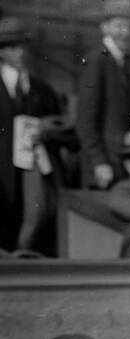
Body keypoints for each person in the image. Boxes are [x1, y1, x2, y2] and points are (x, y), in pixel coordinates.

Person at [0, 16, 69, 253]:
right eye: (11, 47)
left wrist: (47, 130)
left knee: (35, 217)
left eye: (22, 47)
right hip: (2, 172)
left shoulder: (42, 90)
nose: (19, 53)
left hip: (34, 170)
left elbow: (66, 132)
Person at [76, 0, 130, 189]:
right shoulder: (98, 61)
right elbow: (86, 118)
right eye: (119, 26)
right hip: (104, 165)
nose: (125, 32)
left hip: (120, 160)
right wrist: (98, 161)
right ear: (104, 27)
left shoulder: (124, 63)